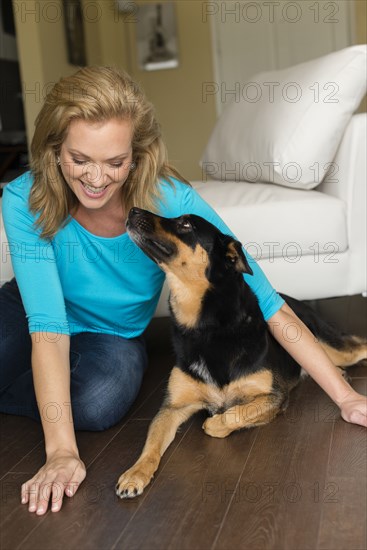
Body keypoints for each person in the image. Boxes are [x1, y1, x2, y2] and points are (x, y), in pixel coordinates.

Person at [1, 66, 366, 517]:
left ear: (135, 156)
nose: (97, 179)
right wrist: (60, 452)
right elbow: (49, 329)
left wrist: (346, 397)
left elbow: (268, 302)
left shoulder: (168, 199)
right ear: (55, 150)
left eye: (115, 163)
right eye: (80, 160)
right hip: (33, 313)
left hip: (111, 335)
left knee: (97, 402)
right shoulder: (23, 198)